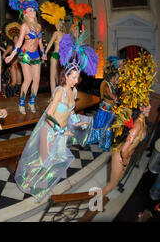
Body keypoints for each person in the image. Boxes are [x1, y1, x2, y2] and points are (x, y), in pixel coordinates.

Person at [15, 31, 98, 201]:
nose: (76, 80)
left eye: (77, 77)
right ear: (65, 75)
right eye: (73, 77)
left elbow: (70, 111)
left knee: (53, 160)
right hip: (50, 131)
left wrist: (77, 122)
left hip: (61, 132)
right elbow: (49, 116)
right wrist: (61, 131)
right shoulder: (59, 92)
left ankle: (40, 181)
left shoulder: (73, 91)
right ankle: (26, 182)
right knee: (42, 159)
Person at [102, 52, 157, 196]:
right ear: (140, 108)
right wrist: (125, 161)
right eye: (146, 106)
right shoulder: (138, 125)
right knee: (110, 185)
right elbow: (124, 150)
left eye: (149, 105)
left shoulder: (142, 121)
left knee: (115, 182)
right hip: (121, 156)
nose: (149, 107)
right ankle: (91, 206)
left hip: (127, 156)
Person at [5, 0, 46, 114]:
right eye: (30, 10)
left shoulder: (39, 26)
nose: (32, 12)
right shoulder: (24, 26)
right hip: (25, 54)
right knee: (27, 79)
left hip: (36, 55)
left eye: (33, 10)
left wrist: (43, 53)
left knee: (37, 80)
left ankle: (32, 103)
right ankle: (21, 103)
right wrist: (12, 56)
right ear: (25, 13)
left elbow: (39, 42)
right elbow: (19, 43)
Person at [86, 61, 120, 151]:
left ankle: (104, 143)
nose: (116, 79)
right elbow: (110, 95)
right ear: (111, 77)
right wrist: (115, 98)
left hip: (110, 109)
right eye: (115, 77)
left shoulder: (112, 84)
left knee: (108, 127)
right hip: (105, 109)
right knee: (99, 124)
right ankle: (95, 139)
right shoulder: (105, 84)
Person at [40, 1, 66, 97]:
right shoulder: (65, 34)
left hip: (55, 55)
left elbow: (50, 44)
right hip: (63, 57)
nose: (54, 25)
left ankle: (52, 96)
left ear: (58, 24)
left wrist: (44, 53)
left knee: (52, 76)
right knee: (59, 77)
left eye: (55, 23)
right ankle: (60, 95)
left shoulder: (56, 33)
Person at [3, 22, 22, 97]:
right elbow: (4, 55)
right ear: (13, 40)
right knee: (13, 82)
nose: (17, 40)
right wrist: (8, 62)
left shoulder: (21, 48)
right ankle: (8, 94)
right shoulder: (11, 47)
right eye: (15, 39)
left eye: (18, 38)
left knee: (19, 82)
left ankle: (16, 96)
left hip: (19, 66)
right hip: (13, 66)